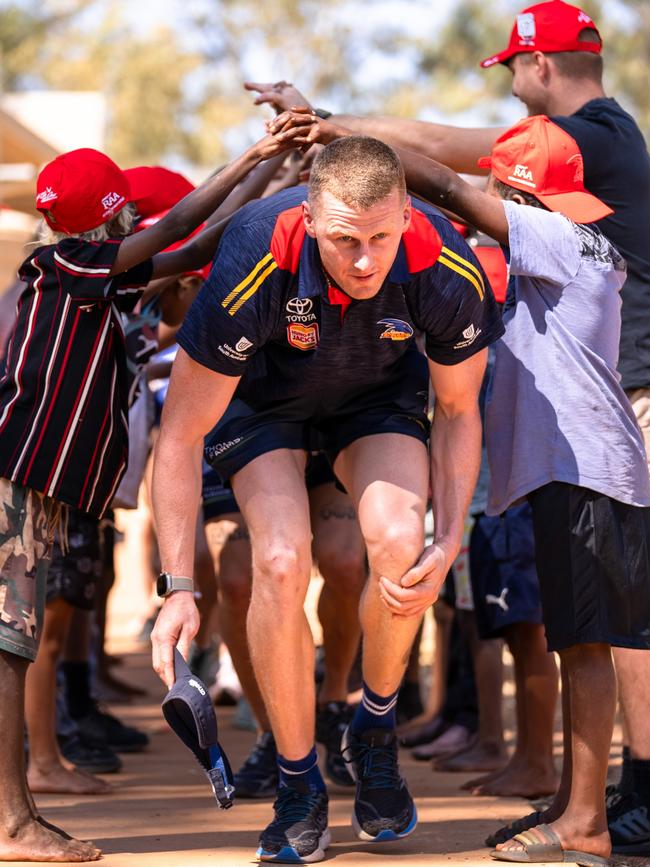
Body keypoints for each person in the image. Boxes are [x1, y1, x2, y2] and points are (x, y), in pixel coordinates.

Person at [249, 3, 650, 850]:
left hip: (583, 465)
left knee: (589, 641)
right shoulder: (584, 230)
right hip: (575, 463)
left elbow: (447, 177)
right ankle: (582, 802)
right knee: (582, 634)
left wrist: (340, 141)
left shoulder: (554, 230)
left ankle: (585, 821)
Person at [150, 131, 504, 863]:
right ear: (310, 218)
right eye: (346, 240)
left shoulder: (443, 265)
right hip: (265, 408)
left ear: (408, 215)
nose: (367, 260)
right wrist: (179, 586)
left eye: (382, 236)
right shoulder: (258, 250)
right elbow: (179, 437)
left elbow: (461, 411)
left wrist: (450, 540)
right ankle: (298, 780)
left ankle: (373, 725)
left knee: (400, 544)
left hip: (373, 403)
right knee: (279, 560)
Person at [0, 129, 301, 862]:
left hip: (30, 482)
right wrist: (255, 163)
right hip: (13, 477)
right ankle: (13, 817)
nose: (135, 224)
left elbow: (190, 252)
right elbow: (175, 232)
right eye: (125, 217)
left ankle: (19, 807)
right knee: (9, 644)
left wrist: (272, 187)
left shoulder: (87, 273)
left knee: (17, 640)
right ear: (110, 221)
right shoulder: (64, 261)